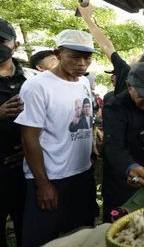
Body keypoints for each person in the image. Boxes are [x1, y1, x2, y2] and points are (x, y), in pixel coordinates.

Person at [15, 29, 98, 247]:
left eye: (87, 57)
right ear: (58, 53)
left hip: (81, 173)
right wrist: (43, 184)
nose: (82, 63)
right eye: (74, 56)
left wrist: (92, 146)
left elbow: (84, 117)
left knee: (81, 236)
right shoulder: (37, 86)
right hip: (51, 176)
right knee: (44, 240)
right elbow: (29, 138)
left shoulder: (83, 83)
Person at [102, 62, 144, 222]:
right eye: (142, 94)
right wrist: (130, 168)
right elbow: (114, 147)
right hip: (124, 183)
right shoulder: (114, 107)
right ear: (129, 86)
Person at [78, 3, 144, 99]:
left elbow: (106, 46)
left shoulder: (127, 73)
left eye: (138, 56)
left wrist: (87, 17)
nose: (133, 57)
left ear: (142, 66)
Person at [0, 18, 33, 247]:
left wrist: (31, 147)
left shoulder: (32, 79)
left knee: (28, 230)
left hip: (25, 170)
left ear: (16, 44)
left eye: (3, 40)